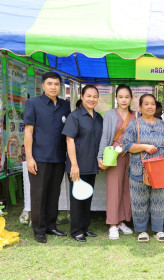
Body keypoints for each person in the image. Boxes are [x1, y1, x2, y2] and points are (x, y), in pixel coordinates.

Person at [24, 71, 71, 243]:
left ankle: (51, 226)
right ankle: (39, 230)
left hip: (59, 158)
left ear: (60, 86)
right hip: (39, 158)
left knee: (54, 194)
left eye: (56, 84)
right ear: (43, 85)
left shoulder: (65, 106)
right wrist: (29, 158)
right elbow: (28, 133)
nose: (53, 87)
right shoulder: (33, 103)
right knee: (38, 195)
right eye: (50, 84)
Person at [123, 94, 164, 242]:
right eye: (146, 104)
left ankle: (158, 230)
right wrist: (144, 146)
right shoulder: (134, 124)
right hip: (139, 169)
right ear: (140, 107)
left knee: (158, 201)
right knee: (139, 201)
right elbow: (126, 146)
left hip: (159, 170)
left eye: (152, 104)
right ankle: (141, 231)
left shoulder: (162, 124)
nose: (150, 107)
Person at [62, 85, 103, 242]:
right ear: (82, 96)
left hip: (92, 165)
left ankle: (85, 228)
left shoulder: (99, 117)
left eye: (95, 96)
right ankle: (76, 230)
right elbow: (69, 140)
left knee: (87, 197)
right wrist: (74, 165)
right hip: (77, 165)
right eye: (89, 96)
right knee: (77, 199)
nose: (92, 99)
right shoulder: (75, 116)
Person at [98, 85, 134, 240]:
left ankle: (121, 221)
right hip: (114, 156)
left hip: (131, 156)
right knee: (114, 190)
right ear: (116, 98)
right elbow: (105, 137)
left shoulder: (135, 116)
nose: (124, 100)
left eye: (126, 97)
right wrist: (100, 157)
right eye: (121, 97)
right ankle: (112, 224)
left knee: (127, 190)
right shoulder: (110, 115)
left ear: (131, 98)